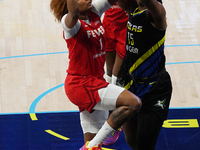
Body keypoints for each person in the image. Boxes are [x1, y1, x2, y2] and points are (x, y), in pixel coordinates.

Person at [50, 0, 142, 150]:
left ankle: (91, 144)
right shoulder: (71, 25)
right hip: (81, 84)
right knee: (133, 102)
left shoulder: (93, 12)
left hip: (96, 81)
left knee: (92, 136)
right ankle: (92, 145)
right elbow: (73, 13)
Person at [116, 0, 173, 149]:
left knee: (145, 144)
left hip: (155, 88)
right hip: (132, 84)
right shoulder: (132, 8)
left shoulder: (157, 14)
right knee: (131, 139)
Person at [102, 3, 128, 85]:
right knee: (109, 70)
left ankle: (115, 95)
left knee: (117, 72)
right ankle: (109, 94)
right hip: (108, 25)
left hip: (125, 27)